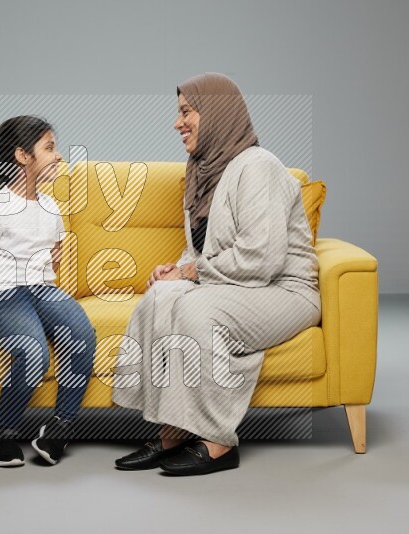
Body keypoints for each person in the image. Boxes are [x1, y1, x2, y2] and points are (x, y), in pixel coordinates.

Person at [112, 73, 321, 476]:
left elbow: (262, 257)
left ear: (218, 113)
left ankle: (219, 441)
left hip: (284, 290)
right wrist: (177, 269)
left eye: (187, 112)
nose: (177, 123)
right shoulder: (203, 171)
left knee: (198, 312)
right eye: (178, 114)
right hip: (237, 283)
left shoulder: (258, 167)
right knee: (160, 297)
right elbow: (202, 250)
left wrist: (191, 272)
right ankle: (173, 430)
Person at [0, 115, 97, 467]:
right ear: (23, 156)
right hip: (0, 292)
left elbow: (52, 256)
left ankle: (59, 428)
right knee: (33, 351)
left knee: (82, 335)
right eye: (49, 148)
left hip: (39, 289)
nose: (58, 156)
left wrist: (53, 255)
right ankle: (0, 434)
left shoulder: (51, 207)